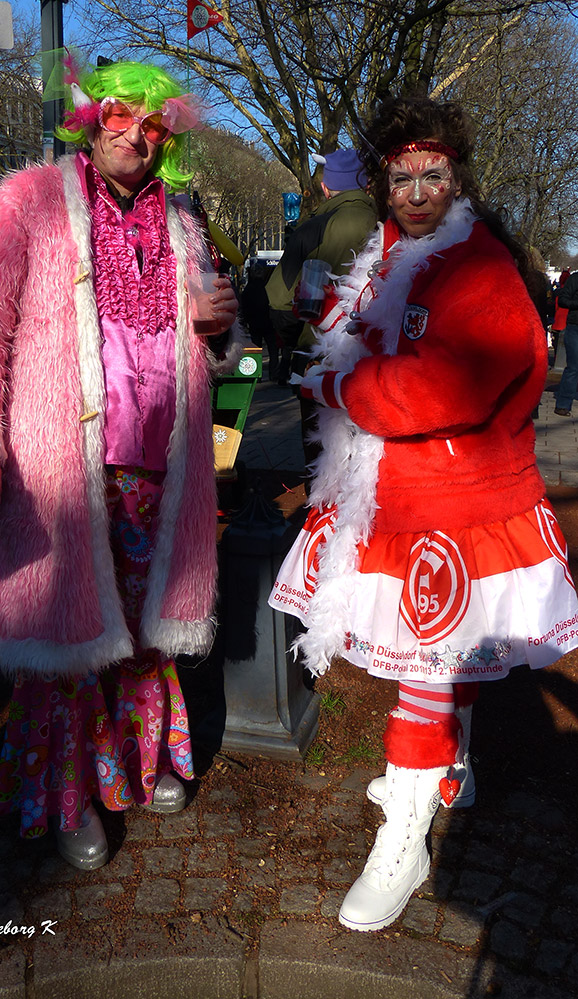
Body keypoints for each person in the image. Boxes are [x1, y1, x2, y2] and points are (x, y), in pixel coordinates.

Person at [268, 96, 578, 932]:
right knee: (437, 663)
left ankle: (405, 835)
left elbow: (445, 386)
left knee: (424, 666)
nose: (414, 189)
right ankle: (452, 771)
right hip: (398, 495)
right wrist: (334, 327)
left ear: (457, 175)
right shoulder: (395, 254)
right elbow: (374, 334)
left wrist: (338, 384)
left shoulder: (479, 270)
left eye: (431, 173)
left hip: (456, 506)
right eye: (399, 176)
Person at [0, 59, 241, 870]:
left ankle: (140, 765)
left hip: (156, 463)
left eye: (152, 126)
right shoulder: (26, 202)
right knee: (65, 632)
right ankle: (66, 792)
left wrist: (220, 332)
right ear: (89, 117)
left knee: (146, 625)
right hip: (59, 465)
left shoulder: (181, 217)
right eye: (119, 117)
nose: (134, 137)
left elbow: (205, 335)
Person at [266, 149, 376, 471]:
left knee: (323, 461)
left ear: (327, 188)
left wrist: (294, 340)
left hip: (318, 357)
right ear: (367, 187)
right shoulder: (390, 222)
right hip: (377, 357)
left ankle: (322, 518)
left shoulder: (312, 228)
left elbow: (276, 298)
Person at [553, 268, 578, 415]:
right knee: (574, 367)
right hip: (575, 327)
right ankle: (563, 404)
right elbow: (562, 300)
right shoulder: (575, 279)